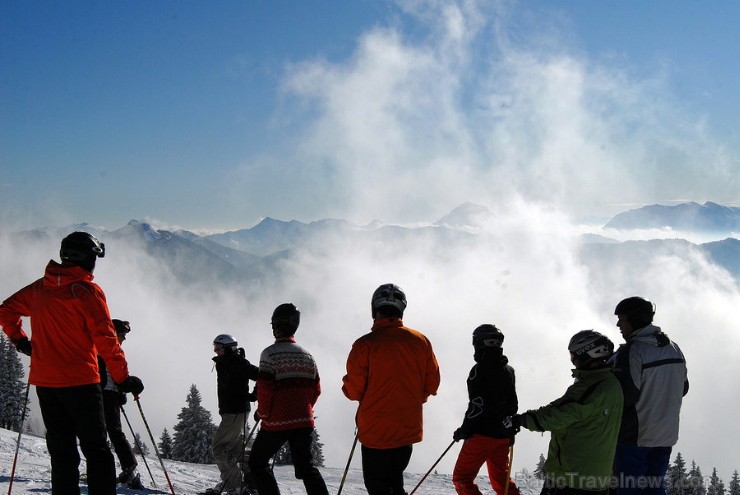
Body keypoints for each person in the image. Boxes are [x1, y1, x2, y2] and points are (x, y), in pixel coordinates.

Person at [0, 231, 144, 495]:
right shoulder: (86, 291)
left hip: (46, 384)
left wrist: (21, 341)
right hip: (81, 383)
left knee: (62, 453)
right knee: (97, 451)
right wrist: (123, 378)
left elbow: (5, 310)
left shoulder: (39, 289)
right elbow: (106, 340)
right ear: (88, 259)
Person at [342, 283, 441, 495]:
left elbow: (353, 391)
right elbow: (432, 384)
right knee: (395, 484)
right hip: (406, 430)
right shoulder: (421, 342)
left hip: (375, 433)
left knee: (378, 488)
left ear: (374, 309)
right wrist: (412, 398)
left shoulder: (365, 345)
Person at [504, 330, 623, 495]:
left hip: (571, 478)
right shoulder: (611, 383)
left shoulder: (590, 387)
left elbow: (557, 415)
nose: (572, 360)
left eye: (573, 355)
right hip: (597, 478)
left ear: (586, 355)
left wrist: (521, 420)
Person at [609, 297, 689, 495]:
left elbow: (625, 396)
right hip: (666, 435)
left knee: (629, 488)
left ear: (635, 320)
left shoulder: (633, 351)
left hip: (635, 436)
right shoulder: (674, 348)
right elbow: (683, 388)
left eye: (622, 319)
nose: (619, 324)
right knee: (655, 487)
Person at [248, 303, 329, 495]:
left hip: (277, 421)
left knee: (257, 462)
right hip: (303, 420)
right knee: (305, 468)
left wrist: (263, 413)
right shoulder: (307, 355)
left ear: (275, 326)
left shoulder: (269, 354)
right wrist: (304, 407)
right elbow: (316, 389)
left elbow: (265, 389)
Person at [452, 324, 520, 495]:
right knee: (502, 482)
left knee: (462, 478)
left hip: (482, 435)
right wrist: (510, 429)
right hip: (503, 435)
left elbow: (477, 405)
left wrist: (465, 430)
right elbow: (513, 405)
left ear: (478, 344)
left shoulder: (478, 371)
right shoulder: (508, 370)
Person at [207, 333, 259, 495]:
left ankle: (234, 485)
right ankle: (254, 482)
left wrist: (254, 395)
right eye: (214, 347)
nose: (216, 351)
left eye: (218, 348)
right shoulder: (226, 362)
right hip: (232, 411)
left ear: (229, 348)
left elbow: (261, 376)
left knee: (220, 448)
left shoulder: (238, 362)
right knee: (237, 449)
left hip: (235, 411)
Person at [97, 318, 145, 489]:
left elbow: (116, 374)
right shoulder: (103, 347)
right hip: (102, 394)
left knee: (108, 432)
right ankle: (125, 470)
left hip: (107, 394)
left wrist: (120, 390)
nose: (124, 338)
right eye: (122, 334)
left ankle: (126, 469)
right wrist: (125, 386)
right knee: (109, 432)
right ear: (113, 332)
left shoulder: (110, 347)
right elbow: (111, 374)